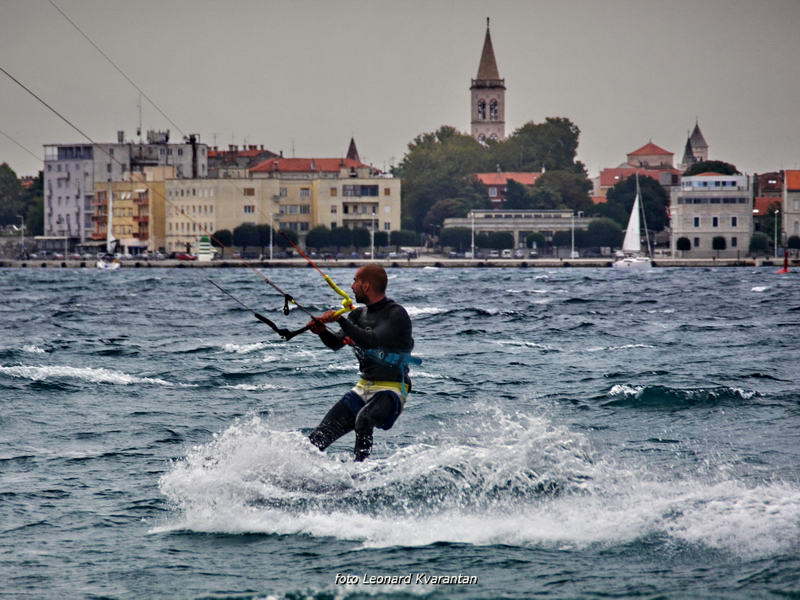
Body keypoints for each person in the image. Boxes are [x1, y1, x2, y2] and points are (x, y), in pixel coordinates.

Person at [307, 264, 416, 461]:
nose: (351, 286)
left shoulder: (396, 314)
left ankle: (361, 471)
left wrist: (339, 320)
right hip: (364, 387)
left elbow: (371, 340)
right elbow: (336, 343)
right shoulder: (357, 315)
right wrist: (322, 331)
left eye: (355, 281)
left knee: (364, 420)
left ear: (366, 286)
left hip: (391, 390)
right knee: (316, 440)